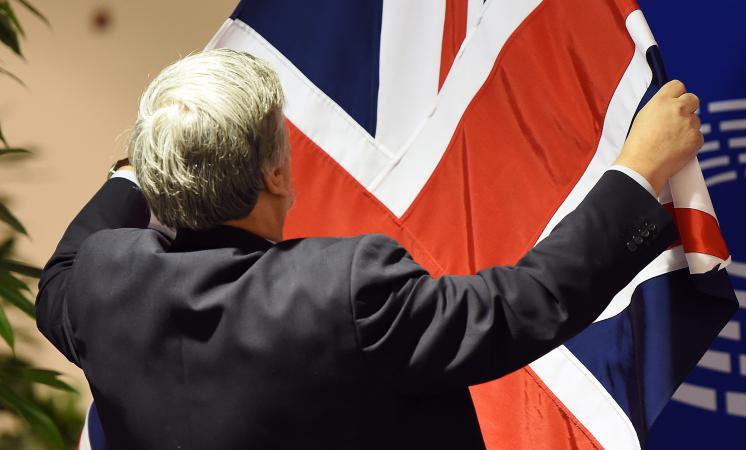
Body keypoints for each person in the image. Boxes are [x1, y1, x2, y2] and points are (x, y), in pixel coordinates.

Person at [35, 49, 703, 449]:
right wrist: (638, 171)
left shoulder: (100, 286)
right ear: (276, 173)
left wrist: (145, 164)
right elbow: (521, 306)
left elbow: (61, 273)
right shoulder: (341, 291)